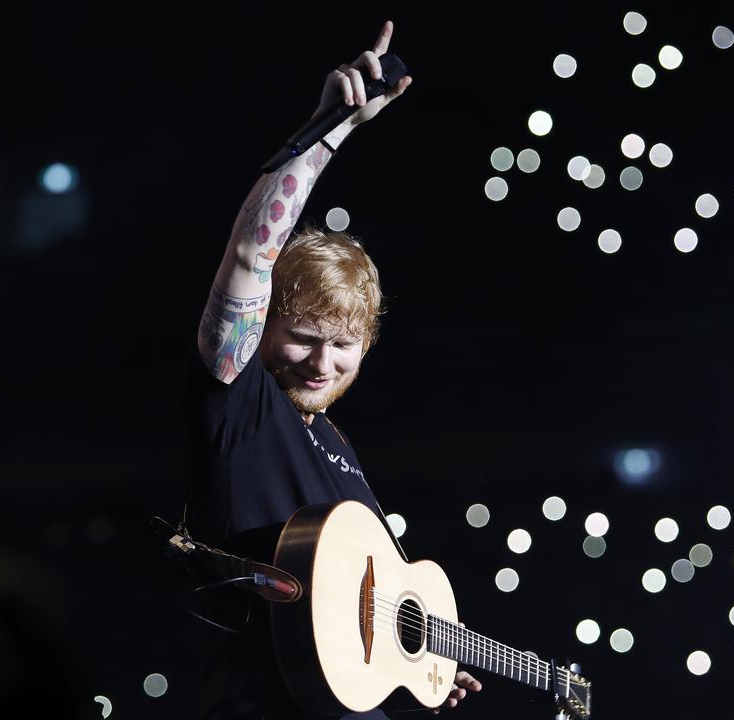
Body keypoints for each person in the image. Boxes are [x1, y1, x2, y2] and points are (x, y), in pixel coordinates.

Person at [182, 21, 482, 720]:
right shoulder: (239, 400)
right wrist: (328, 129)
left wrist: (422, 662)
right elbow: (254, 256)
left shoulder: (340, 450)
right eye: (304, 336)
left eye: (344, 345)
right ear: (266, 327)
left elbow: (357, 609)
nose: (323, 362)